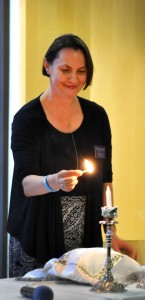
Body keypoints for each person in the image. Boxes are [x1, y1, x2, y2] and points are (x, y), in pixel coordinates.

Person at [7, 33, 137, 277]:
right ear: (47, 65)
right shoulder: (27, 119)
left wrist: (111, 232)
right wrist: (52, 181)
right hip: (36, 230)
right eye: (66, 69)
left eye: (81, 71)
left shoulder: (97, 117)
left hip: (85, 234)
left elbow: (105, 179)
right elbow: (26, 183)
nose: (73, 78)